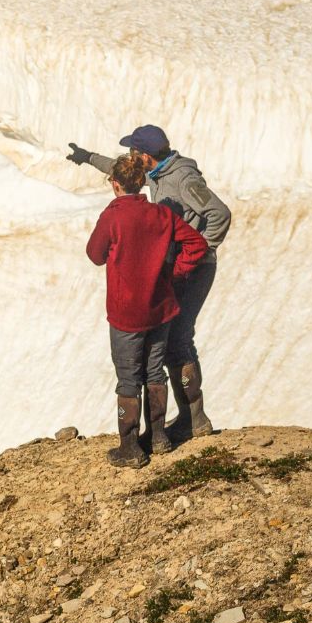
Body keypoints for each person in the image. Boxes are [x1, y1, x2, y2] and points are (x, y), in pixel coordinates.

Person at [68, 125, 230, 438]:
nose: (130, 156)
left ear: (144, 156)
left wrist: (195, 253)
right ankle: (189, 419)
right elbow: (123, 174)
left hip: (193, 268)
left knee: (178, 339)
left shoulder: (184, 178)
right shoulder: (155, 172)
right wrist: (88, 158)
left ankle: (195, 420)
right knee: (172, 341)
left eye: (133, 152)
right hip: (177, 266)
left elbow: (219, 214)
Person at [86, 154, 209, 467]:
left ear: (115, 185)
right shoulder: (161, 215)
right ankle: (158, 437)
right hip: (160, 309)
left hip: (126, 313)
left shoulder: (113, 217)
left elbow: (95, 255)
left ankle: (130, 447)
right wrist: (173, 273)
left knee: (129, 379)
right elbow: (197, 244)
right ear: (141, 182)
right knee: (155, 372)